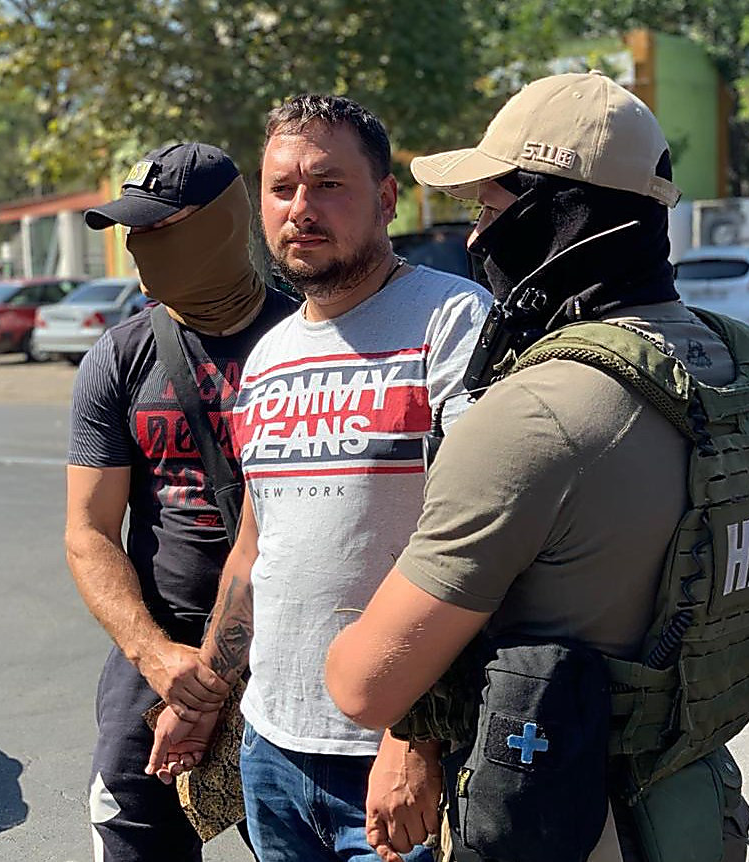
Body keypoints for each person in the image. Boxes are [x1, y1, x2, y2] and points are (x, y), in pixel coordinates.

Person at [325, 71, 749, 862]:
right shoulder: (737, 365)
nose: (475, 239)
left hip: (564, 821)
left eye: (488, 210)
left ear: (558, 214)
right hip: (695, 802)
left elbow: (363, 685)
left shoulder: (539, 410)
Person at [147, 94, 491, 862]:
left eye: (328, 184)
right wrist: (207, 695)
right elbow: (254, 552)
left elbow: (483, 544)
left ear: (387, 198)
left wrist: (415, 737)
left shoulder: (452, 320)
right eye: (281, 189)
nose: (300, 208)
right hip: (271, 752)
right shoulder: (269, 357)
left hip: (394, 762)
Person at [67, 141, 298, 862]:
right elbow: (88, 531)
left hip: (294, 652)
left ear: (222, 222)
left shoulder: (314, 343)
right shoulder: (119, 355)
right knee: (130, 831)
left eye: (158, 226)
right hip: (159, 653)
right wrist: (154, 655)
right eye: (131, 230)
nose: (140, 245)